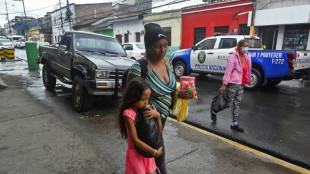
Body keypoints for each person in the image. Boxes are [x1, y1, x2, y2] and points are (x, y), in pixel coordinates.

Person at [127, 23, 176, 174]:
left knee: (146, 164)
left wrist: (181, 94)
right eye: (157, 46)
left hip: (160, 122)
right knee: (153, 161)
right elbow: (130, 100)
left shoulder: (167, 63)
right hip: (147, 124)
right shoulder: (139, 67)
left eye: (165, 45)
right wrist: (152, 113)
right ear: (148, 47)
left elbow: (171, 88)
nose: (162, 50)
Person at [117, 78, 163, 174]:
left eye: (148, 98)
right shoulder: (128, 114)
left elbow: (158, 131)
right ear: (133, 97)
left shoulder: (146, 110)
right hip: (136, 156)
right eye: (143, 99)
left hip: (147, 154)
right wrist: (155, 152)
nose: (146, 102)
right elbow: (136, 141)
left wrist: (158, 117)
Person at [210, 39, 252, 132]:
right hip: (232, 83)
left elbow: (247, 70)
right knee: (228, 104)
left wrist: (248, 80)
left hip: (241, 84)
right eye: (244, 46)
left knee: (237, 103)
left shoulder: (247, 57)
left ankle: (234, 123)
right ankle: (214, 111)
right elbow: (228, 71)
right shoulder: (233, 57)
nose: (246, 48)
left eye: (247, 46)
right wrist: (224, 84)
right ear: (239, 47)